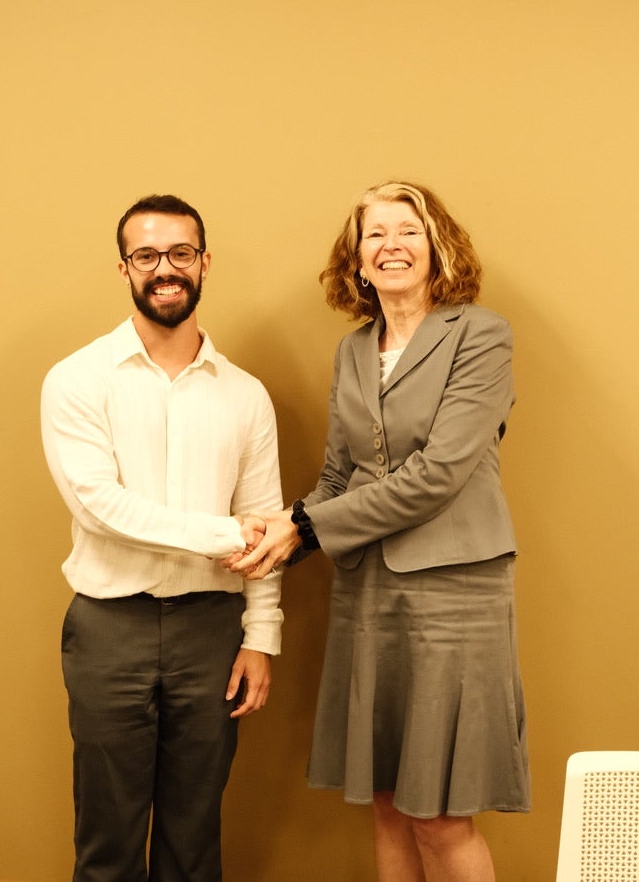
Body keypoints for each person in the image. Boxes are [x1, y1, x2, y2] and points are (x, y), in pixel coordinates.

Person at [227, 181, 531, 882]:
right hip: (368, 593)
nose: (391, 245)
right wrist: (280, 536)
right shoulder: (354, 352)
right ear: (357, 259)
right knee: (389, 803)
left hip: (455, 593)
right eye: (375, 234)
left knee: (441, 813)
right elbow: (338, 478)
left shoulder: (481, 334)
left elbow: (438, 474)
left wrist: (304, 524)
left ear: (437, 248)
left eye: (409, 231)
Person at [41, 193, 283, 882]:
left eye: (180, 253)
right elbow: (100, 508)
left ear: (204, 262)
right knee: (108, 841)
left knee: (194, 837)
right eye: (146, 255)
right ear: (124, 269)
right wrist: (223, 534)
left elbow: (263, 522)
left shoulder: (245, 396)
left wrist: (261, 636)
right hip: (108, 630)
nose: (164, 269)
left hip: (212, 631)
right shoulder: (77, 380)